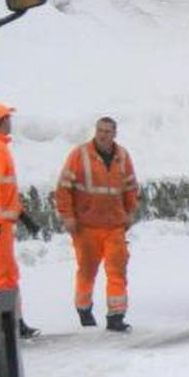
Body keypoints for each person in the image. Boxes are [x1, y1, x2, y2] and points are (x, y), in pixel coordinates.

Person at [55, 117, 140, 332]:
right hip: (87, 226)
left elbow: (130, 187)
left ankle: (116, 316)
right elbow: (64, 188)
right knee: (87, 271)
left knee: (117, 271)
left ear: (114, 134)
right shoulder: (79, 155)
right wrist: (68, 216)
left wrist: (129, 213)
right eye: (100, 130)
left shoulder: (122, 156)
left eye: (108, 131)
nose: (103, 135)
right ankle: (84, 308)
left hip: (115, 226)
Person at [0, 103, 42, 339]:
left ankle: (13, 322)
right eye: (8, 118)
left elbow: (5, 192)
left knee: (7, 273)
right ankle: (5, 325)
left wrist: (23, 215)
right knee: (1, 275)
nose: (11, 122)